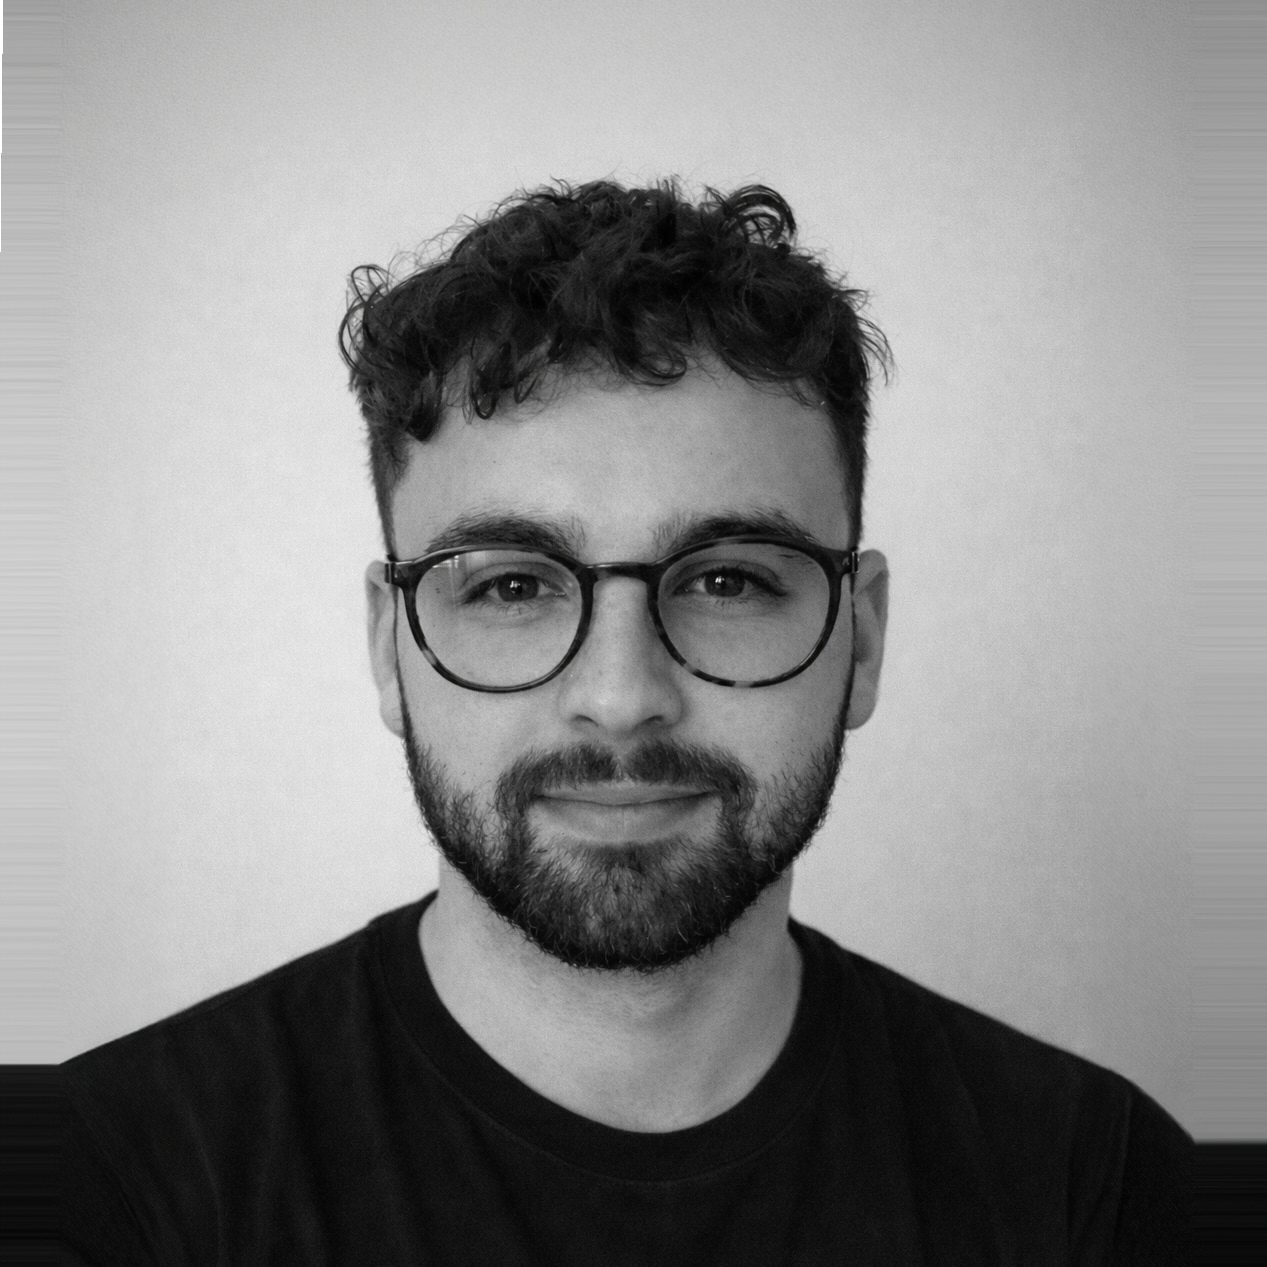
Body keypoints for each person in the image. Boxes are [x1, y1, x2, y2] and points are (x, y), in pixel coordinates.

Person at [62, 179, 1190, 1264]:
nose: (618, 693)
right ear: (387, 647)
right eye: (510, 584)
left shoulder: (1100, 1188)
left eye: (727, 581)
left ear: (862, 637)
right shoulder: (108, 1184)